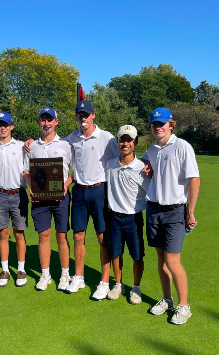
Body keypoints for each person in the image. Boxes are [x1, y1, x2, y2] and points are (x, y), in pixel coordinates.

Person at [144, 107, 200, 325]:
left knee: (172, 260)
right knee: (161, 259)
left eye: (162, 123)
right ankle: (167, 299)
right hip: (154, 209)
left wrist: (191, 211)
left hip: (175, 210)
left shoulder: (182, 145)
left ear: (171, 125)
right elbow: (139, 162)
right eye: (154, 124)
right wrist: (147, 165)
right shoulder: (151, 150)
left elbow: (194, 179)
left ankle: (184, 305)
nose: (158, 127)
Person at [64, 100, 120, 299]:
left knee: (102, 238)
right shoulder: (72, 137)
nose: (83, 118)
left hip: (100, 191)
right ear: (77, 117)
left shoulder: (106, 137)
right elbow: (53, 145)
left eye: (86, 114)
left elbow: (121, 158)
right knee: (78, 236)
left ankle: (104, 282)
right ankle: (78, 277)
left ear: (93, 115)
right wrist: (30, 143)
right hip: (79, 191)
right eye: (80, 115)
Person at [23, 107, 73, 291]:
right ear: (39, 122)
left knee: (61, 236)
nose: (46, 123)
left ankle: (65, 274)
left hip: (61, 197)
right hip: (40, 199)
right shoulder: (31, 146)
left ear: (56, 122)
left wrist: (65, 185)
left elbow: (75, 171)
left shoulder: (66, 145)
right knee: (43, 235)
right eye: (43, 120)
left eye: (50, 120)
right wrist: (32, 187)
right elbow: (26, 170)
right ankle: (45, 274)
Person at [106, 125, 151, 304]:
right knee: (116, 253)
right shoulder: (110, 165)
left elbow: (150, 193)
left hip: (133, 218)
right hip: (114, 216)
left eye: (129, 140)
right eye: (122, 140)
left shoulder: (142, 168)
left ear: (135, 142)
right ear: (117, 142)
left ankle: (136, 288)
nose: (125, 143)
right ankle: (118, 284)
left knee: (137, 254)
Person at [0, 112, 28, 288]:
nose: (3, 127)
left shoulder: (21, 146)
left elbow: (27, 168)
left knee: (19, 233)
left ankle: (21, 269)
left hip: (18, 194)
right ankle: (5, 270)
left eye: (6, 124)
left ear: (12, 126)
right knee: (3, 233)